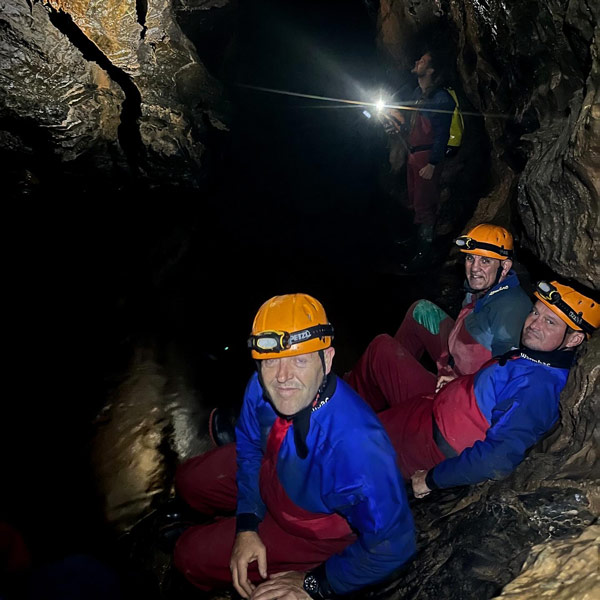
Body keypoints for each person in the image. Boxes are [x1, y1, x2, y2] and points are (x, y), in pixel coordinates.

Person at [174, 294, 416, 598]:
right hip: (273, 474)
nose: (283, 378)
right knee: (187, 479)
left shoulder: (357, 450)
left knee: (188, 558)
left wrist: (315, 583)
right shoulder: (260, 386)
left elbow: (394, 544)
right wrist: (247, 523)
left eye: (300, 360)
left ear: (327, 360)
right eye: (271, 361)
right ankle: (216, 521)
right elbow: (249, 448)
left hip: (308, 526)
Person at [372, 280, 599, 498]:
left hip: (428, 443)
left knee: (355, 455)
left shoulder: (538, 386)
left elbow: (498, 458)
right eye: (535, 312)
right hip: (429, 411)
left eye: (550, 322)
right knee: (357, 429)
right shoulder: (536, 357)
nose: (533, 324)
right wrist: (461, 385)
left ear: (574, 339)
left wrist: (431, 479)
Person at [346, 223, 532, 412]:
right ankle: (388, 384)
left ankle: (352, 406)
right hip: (457, 354)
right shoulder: (489, 287)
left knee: (380, 348)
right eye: (470, 258)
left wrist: (462, 385)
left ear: (505, 266)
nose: (474, 268)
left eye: (485, 261)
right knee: (421, 311)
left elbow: (505, 374)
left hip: (459, 397)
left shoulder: (511, 310)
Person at [383, 50, 456, 264]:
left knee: (425, 205)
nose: (417, 62)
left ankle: (424, 253)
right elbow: (411, 126)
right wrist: (396, 125)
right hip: (414, 154)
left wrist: (433, 163)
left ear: (431, 70)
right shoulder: (416, 94)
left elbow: (441, 133)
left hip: (426, 156)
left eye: (422, 61)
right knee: (416, 202)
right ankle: (416, 241)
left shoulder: (441, 98)